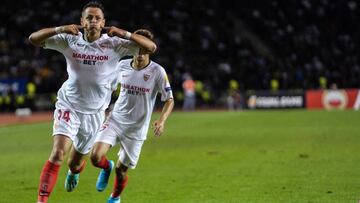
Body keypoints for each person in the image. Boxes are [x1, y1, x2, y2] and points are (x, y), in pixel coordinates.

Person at [28, 2, 157, 203]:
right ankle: (41, 200)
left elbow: (150, 47)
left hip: (95, 113)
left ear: (103, 22)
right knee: (58, 153)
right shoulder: (70, 40)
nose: (93, 21)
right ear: (82, 21)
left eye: (97, 18)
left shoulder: (114, 44)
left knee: (74, 164)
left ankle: (102, 167)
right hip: (69, 105)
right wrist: (59, 28)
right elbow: (33, 39)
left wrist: (124, 33)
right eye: (89, 18)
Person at [90, 29, 174, 203]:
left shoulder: (158, 72)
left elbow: (169, 99)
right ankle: (106, 168)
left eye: (144, 49)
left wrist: (162, 121)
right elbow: (108, 88)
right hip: (115, 121)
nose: (140, 53)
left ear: (149, 50)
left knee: (121, 171)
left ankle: (115, 197)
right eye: (137, 48)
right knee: (95, 157)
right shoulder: (121, 65)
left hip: (137, 129)